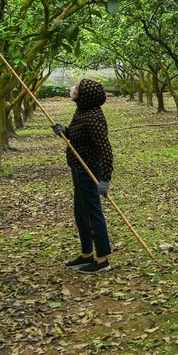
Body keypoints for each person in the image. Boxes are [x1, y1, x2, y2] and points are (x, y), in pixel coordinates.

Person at [52, 79, 114, 274]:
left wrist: (105, 178)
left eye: (78, 88)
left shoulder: (93, 117)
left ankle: (102, 259)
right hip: (78, 170)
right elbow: (78, 135)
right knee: (81, 214)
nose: (74, 89)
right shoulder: (82, 111)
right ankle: (87, 253)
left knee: (93, 214)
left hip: (88, 172)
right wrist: (65, 131)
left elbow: (105, 149)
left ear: (85, 94)